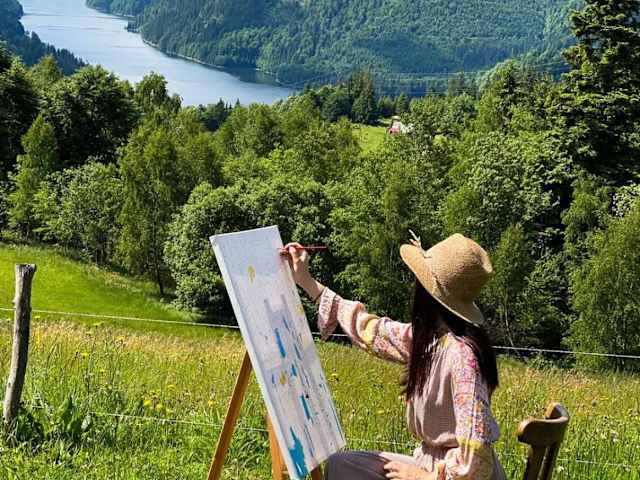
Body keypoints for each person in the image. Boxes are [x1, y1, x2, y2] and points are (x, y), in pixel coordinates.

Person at [281, 233, 506, 480]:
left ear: (429, 294)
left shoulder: (463, 358)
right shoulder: (426, 339)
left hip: (452, 475)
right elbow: (370, 329)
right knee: (341, 465)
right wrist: (306, 280)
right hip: (429, 464)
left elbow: (477, 462)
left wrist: (421, 477)